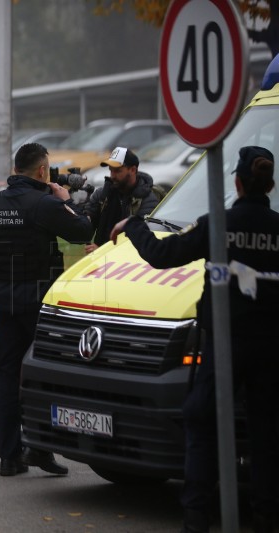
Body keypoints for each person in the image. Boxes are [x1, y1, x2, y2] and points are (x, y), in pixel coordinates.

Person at [110, 146, 279, 533]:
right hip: (271, 347)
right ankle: (267, 515)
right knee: (267, 430)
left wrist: (133, 225)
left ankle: (196, 517)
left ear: (236, 182)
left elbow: (162, 254)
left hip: (224, 344)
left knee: (202, 423)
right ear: (269, 183)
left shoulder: (218, 222)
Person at [0, 142, 94, 477]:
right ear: (42, 170)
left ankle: (9, 457)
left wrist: (0, 282)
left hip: (5, 302)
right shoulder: (45, 204)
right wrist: (68, 202)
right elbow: (84, 231)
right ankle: (39, 448)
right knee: (43, 375)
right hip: (39, 302)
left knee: (8, 377)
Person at [82, 146, 161, 254]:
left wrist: (103, 251)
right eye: (111, 170)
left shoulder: (148, 199)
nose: (112, 176)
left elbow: (139, 240)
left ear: (133, 170)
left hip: (130, 265)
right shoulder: (103, 194)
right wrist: (68, 204)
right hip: (101, 264)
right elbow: (84, 226)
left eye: (118, 171)